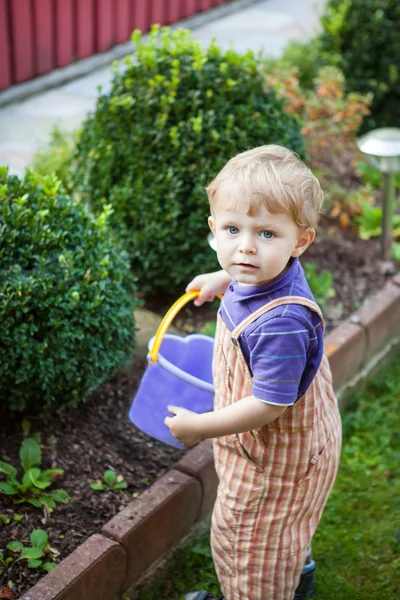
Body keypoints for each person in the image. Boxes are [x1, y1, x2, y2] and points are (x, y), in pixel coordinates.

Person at [164, 145, 342, 600]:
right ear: (213, 230)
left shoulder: (282, 323)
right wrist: (223, 279)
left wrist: (200, 427)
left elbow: (268, 403)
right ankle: (295, 578)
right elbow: (249, 271)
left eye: (266, 233)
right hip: (293, 449)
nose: (245, 246)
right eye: (232, 229)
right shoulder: (262, 274)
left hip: (276, 459)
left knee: (247, 539)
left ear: (300, 241)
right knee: (282, 529)